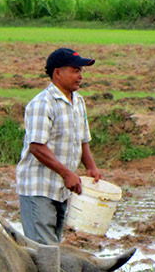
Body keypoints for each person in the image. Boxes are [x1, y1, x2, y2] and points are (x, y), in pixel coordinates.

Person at [16, 47, 102, 244]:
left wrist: (91, 167)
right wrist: (67, 174)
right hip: (39, 188)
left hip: (61, 189)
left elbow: (83, 139)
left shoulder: (78, 102)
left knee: (53, 246)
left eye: (81, 71)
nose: (80, 76)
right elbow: (37, 147)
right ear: (57, 73)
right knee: (43, 248)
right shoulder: (42, 103)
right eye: (75, 70)